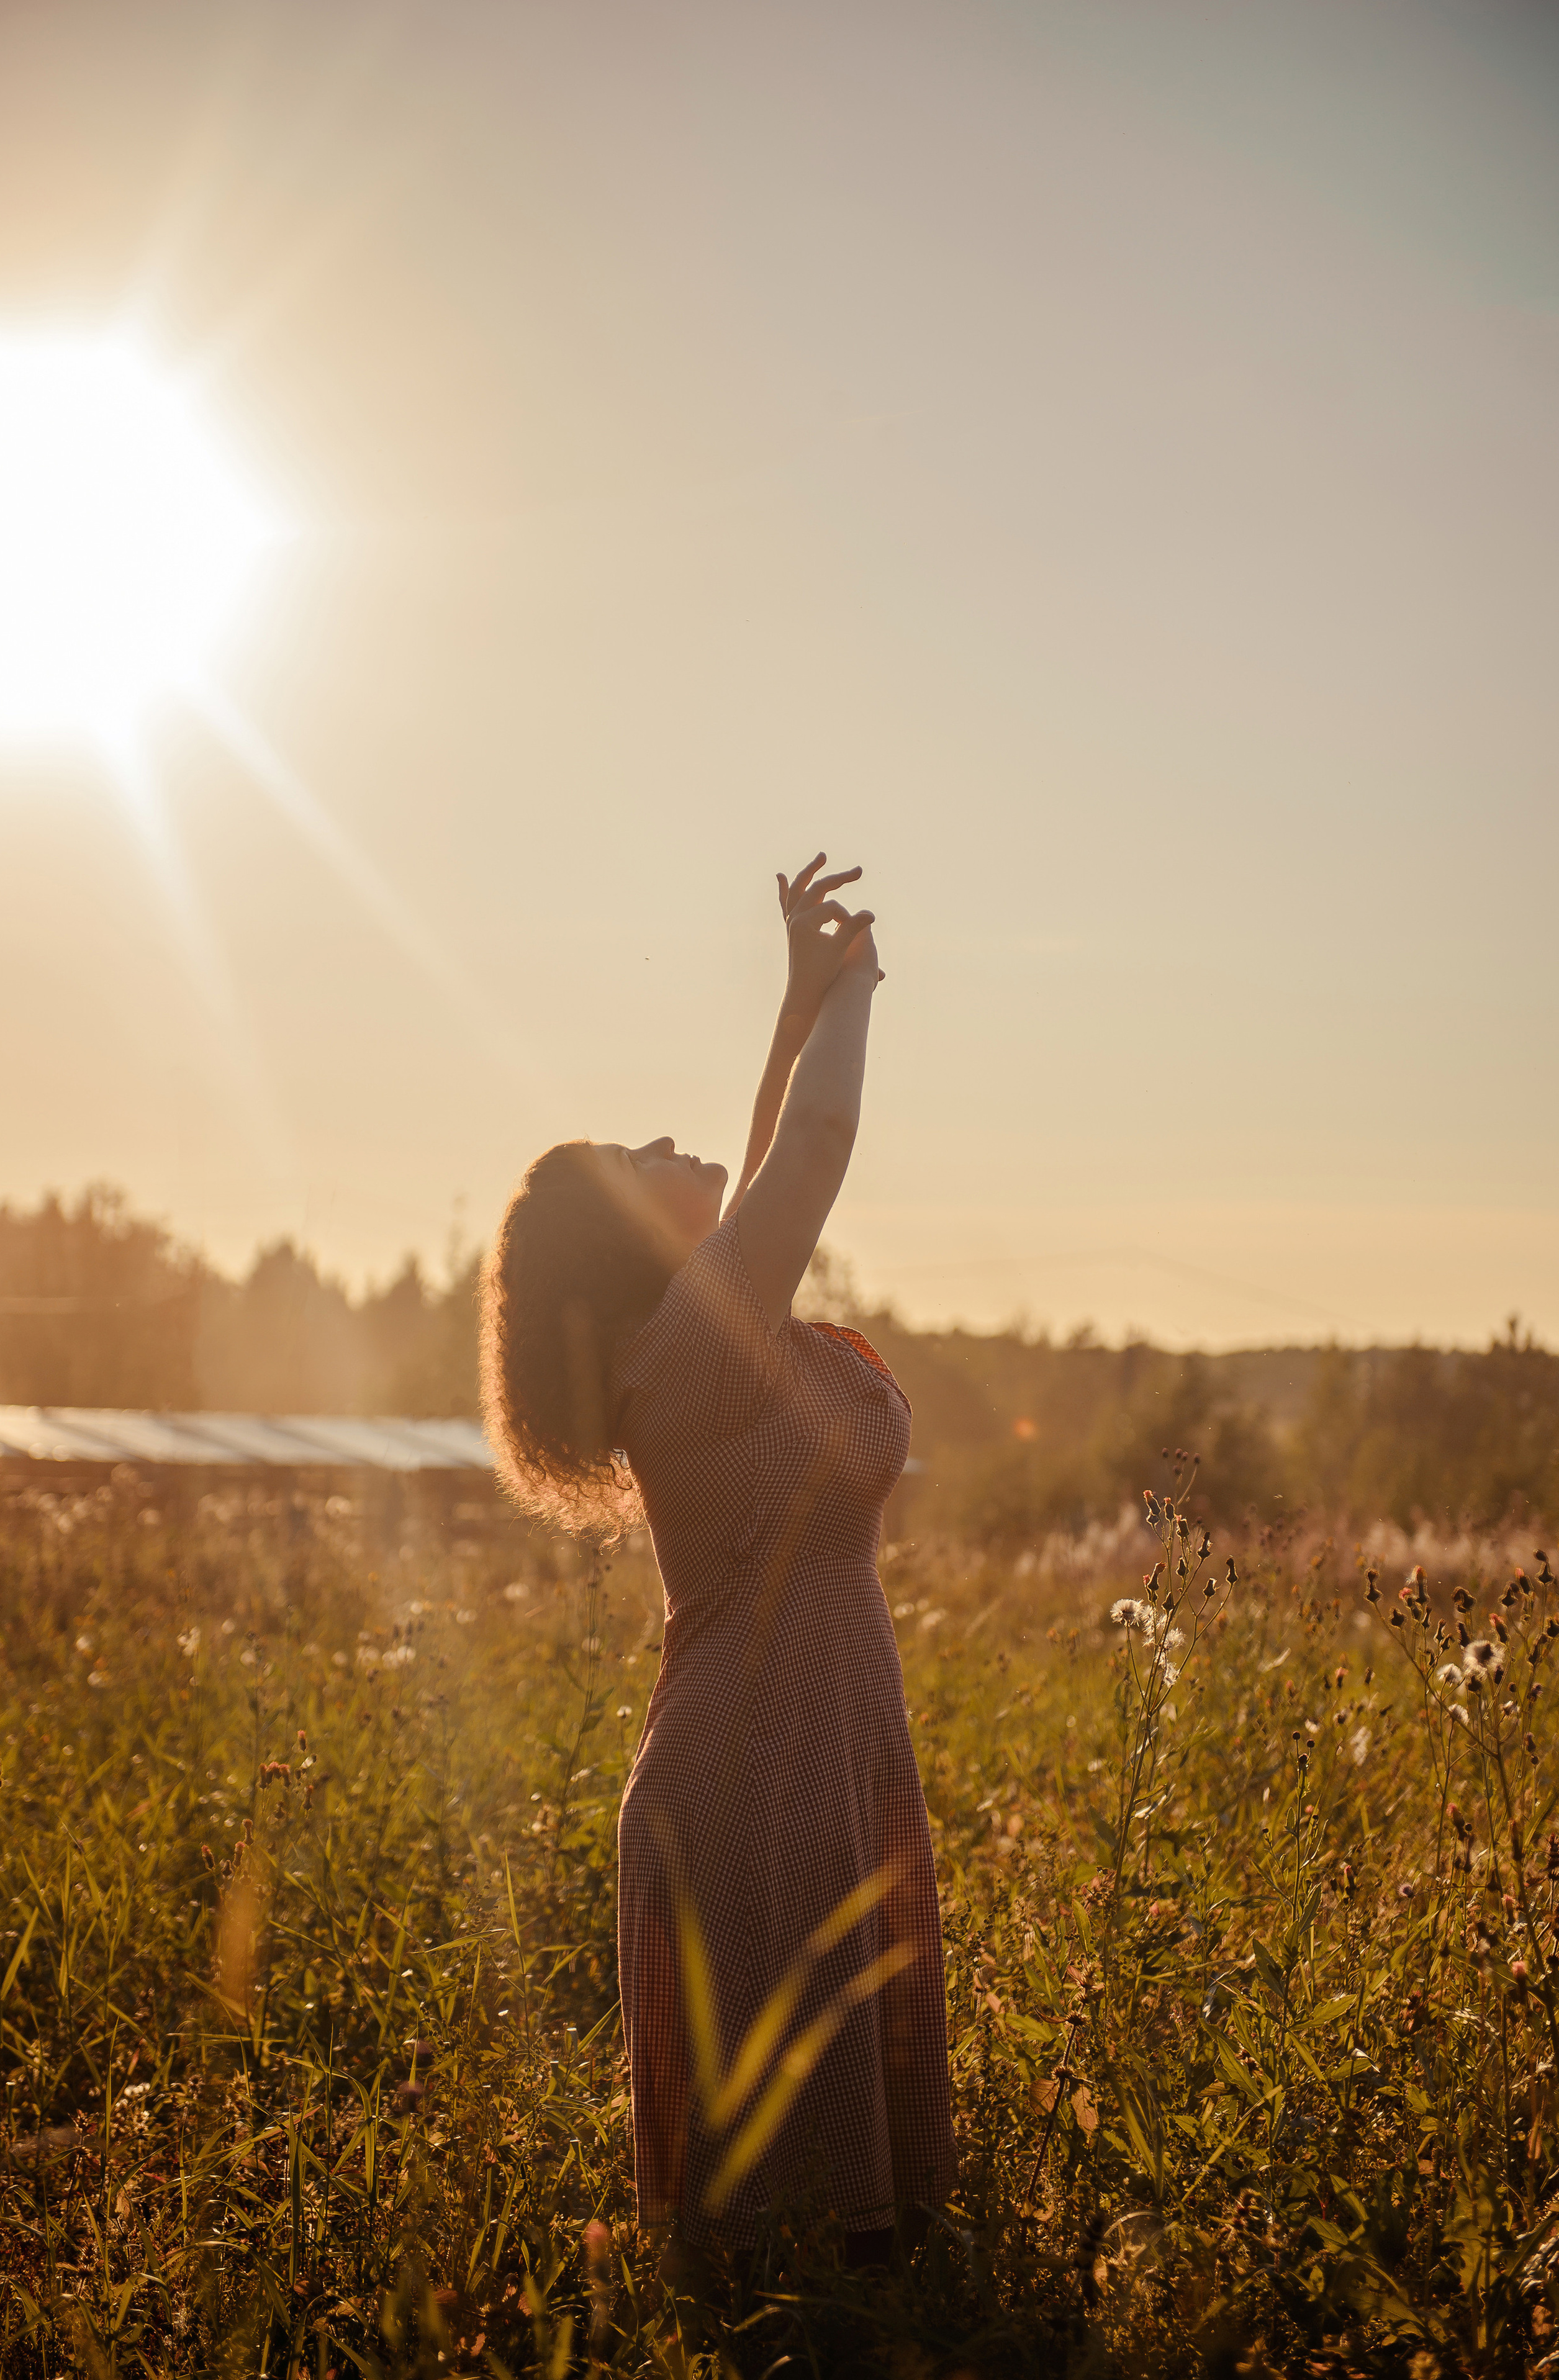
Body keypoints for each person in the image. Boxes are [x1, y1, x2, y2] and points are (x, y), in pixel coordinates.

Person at [481, 855, 956, 2270]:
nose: (669, 1144)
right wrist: (860, 981)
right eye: (634, 1162)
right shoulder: (688, 1353)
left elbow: (759, 1168)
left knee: (822, 2251)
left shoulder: (690, 1339)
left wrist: (798, 999)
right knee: (798, 2265)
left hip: (796, 1738)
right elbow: (803, 1159)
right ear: (621, 1244)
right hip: (755, 1772)